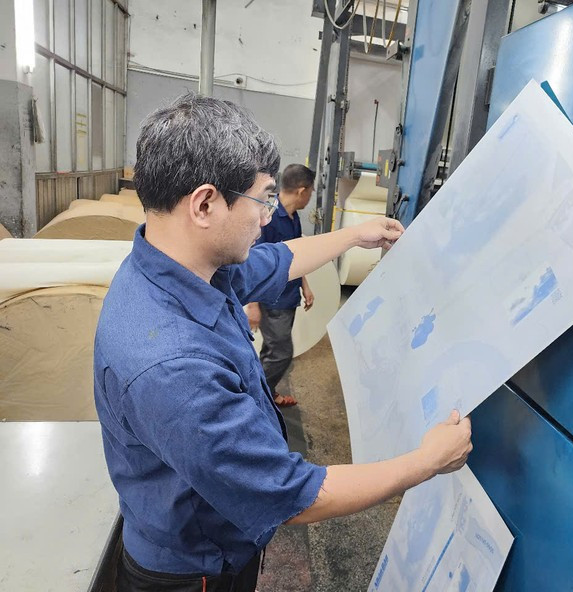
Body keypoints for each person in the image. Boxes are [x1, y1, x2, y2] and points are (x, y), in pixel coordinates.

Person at [93, 93, 472, 592]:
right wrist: (425, 462)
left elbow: (276, 261)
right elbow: (293, 494)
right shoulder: (171, 366)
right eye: (263, 199)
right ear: (205, 203)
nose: (268, 216)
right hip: (194, 573)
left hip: (203, 540)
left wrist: (355, 235)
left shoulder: (178, 264)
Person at [244, 164, 316, 407]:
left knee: (272, 351)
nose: (310, 197)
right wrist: (253, 305)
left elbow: (295, 254)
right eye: (311, 191)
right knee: (282, 354)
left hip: (287, 297)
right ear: (301, 191)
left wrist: (304, 285)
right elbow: (252, 260)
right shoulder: (270, 217)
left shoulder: (293, 217)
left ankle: (267, 393)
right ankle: (255, 401)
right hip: (272, 299)